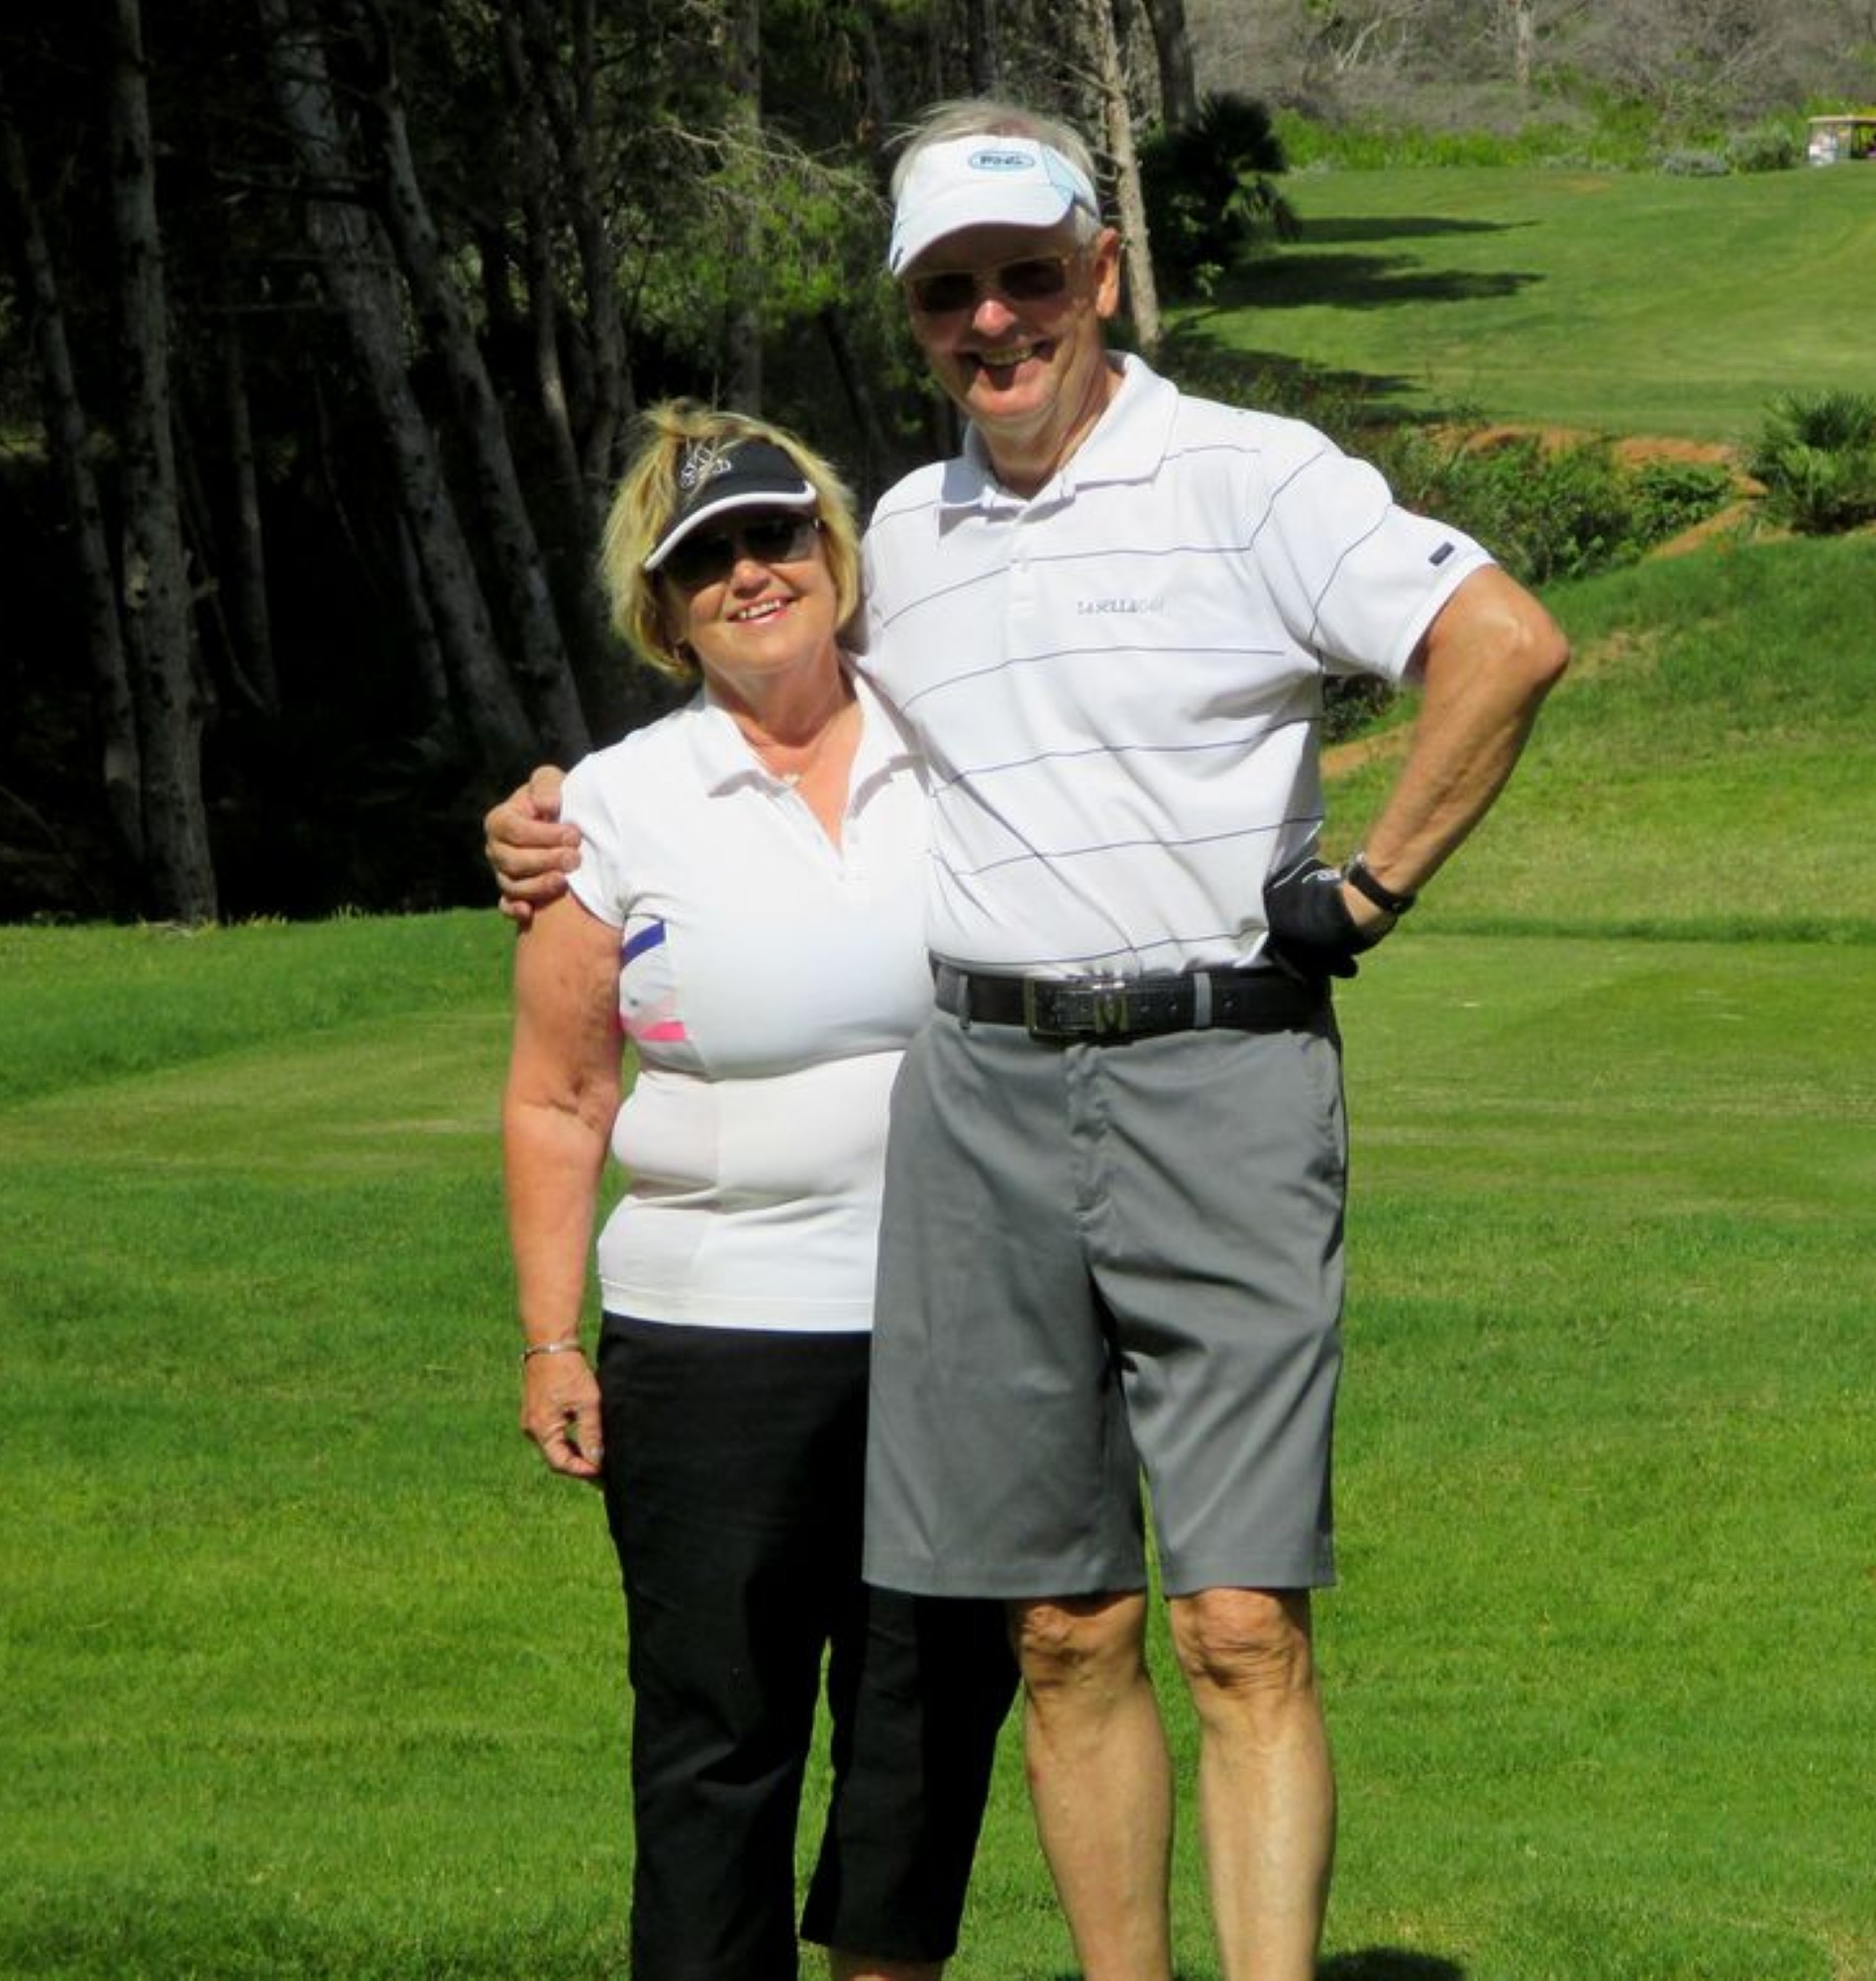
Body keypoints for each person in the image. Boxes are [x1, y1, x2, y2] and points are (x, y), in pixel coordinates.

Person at [491, 98, 1570, 1981]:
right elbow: (759, 685)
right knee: (1061, 1630)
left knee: (1237, 1621)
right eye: (947, 294)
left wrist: (1370, 890)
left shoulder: (1251, 475)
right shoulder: (910, 534)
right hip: (983, 1098)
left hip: (1215, 1071)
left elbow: (1502, 641)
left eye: (1024, 277)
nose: (990, 322)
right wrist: (544, 819)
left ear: (1100, 270)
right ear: (915, 319)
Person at [500, 400, 1013, 1981]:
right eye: (705, 558)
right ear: (663, 611)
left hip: (959, 1319)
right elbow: (559, 1096)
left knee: (926, 1715)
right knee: (716, 1730)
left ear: (834, 555)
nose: (750, 574)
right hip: (710, 1337)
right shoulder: (608, 808)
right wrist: (550, 1341)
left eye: (776, 535)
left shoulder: (963, 741)